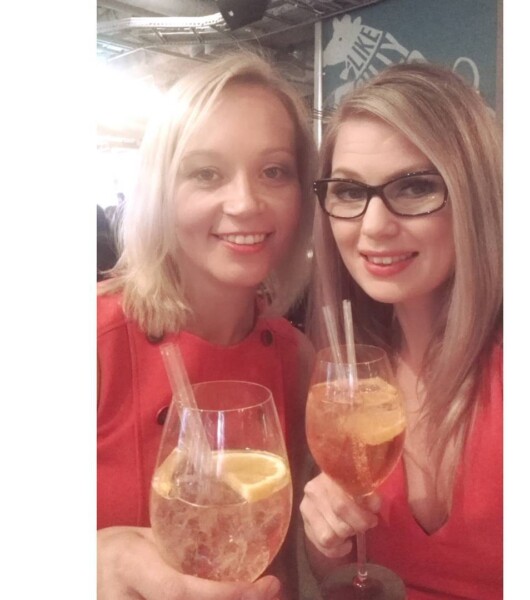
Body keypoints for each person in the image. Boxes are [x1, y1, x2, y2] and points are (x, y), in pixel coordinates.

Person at [97, 49, 317, 600]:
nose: (245, 202)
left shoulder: (294, 357)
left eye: (274, 171)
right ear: (161, 190)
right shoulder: (91, 342)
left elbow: (277, 562)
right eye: (206, 173)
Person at [299, 62, 502, 599]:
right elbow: (345, 574)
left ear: (475, 195)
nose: (373, 226)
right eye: (349, 191)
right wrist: (329, 534)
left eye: (414, 187)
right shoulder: (348, 379)